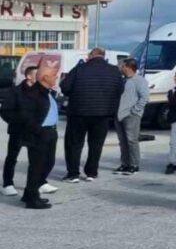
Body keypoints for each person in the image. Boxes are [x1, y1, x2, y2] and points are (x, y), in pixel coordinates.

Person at [60, 47, 123, 182]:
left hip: (78, 113)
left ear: (91, 55)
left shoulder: (80, 69)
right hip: (103, 114)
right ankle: (91, 172)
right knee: (96, 144)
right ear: (103, 56)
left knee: (74, 144)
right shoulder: (114, 71)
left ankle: (73, 174)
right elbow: (120, 90)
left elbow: (65, 87)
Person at [3, 65, 54, 197]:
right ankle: (8, 183)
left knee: (37, 160)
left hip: (37, 132)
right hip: (18, 131)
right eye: (36, 74)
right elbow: (6, 112)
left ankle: (40, 182)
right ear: (29, 76)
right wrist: (20, 122)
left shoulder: (44, 92)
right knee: (12, 157)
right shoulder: (15, 91)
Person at [19, 62, 60, 209]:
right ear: (45, 77)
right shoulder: (34, 93)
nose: (56, 78)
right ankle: (32, 198)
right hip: (40, 134)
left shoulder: (46, 91)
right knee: (37, 165)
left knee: (48, 163)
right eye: (54, 76)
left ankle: (29, 192)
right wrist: (35, 132)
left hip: (49, 132)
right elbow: (26, 115)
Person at [114, 58, 149, 175]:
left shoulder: (139, 80)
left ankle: (134, 164)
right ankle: (125, 163)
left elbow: (144, 98)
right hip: (119, 115)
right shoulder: (122, 80)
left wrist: (135, 111)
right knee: (122, 141)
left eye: (122, 66)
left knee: (131, 140)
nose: (120, 67)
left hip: (131, 116)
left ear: (128, 67)